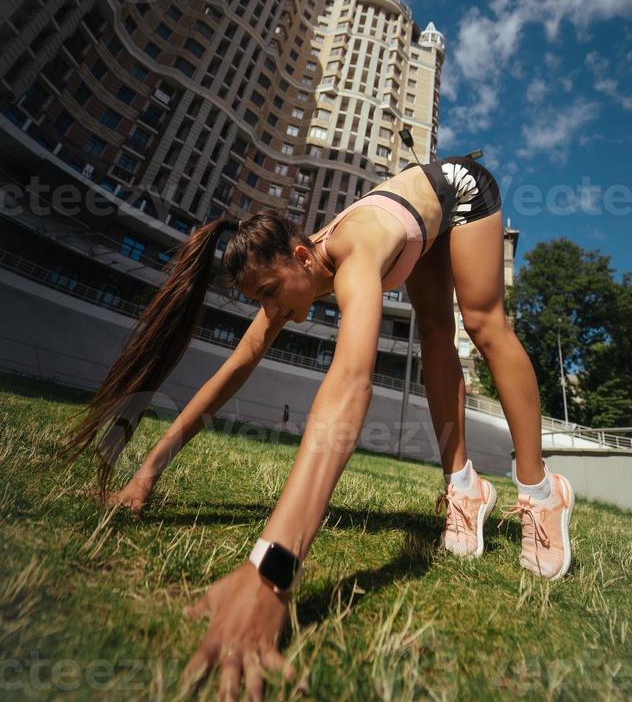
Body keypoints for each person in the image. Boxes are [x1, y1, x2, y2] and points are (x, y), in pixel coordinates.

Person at [61, 154, 574, 697]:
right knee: (432, 334)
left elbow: (351, 384)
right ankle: (464, 488)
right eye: (259, 298)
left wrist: (272, 568)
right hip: (420, 224)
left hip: (460, 191)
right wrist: (148, 471)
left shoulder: (355, 256)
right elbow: (231, 372)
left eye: (268, 294)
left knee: (480, 321)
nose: (270, 309)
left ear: (302, 256)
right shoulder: (297, 274)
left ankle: (541, 491)